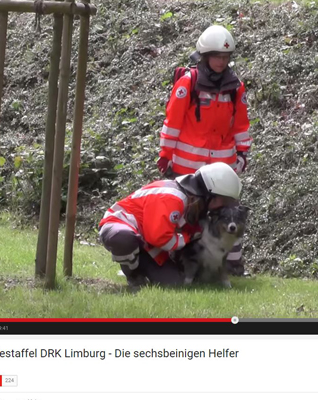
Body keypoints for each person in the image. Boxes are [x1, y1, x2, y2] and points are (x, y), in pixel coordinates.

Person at [157, 25, 253, 275]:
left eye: (225, 57)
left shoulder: (235, 87)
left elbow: (241, 125)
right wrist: (165, 156)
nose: (221, 61)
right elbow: (172, 123)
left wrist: (242, 154)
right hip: (188, 170)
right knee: (184, 218)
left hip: (222, 170)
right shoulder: (187, 83)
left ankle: (232, 266)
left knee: (230, 216)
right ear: (205, 56)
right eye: (216, 56)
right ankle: (179, 265)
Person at [99, 163, 241, 289]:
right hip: (118, 224)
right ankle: (133, 274)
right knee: (123, 238)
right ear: (210, 194)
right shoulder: (172, 198)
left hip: (146, 241)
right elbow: (160, 238)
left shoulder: (192, 202)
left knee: (174, 283)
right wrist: (187, 237)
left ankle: (139, 267)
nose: (222, 206)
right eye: (223, 200)